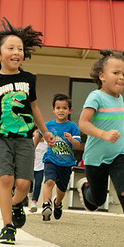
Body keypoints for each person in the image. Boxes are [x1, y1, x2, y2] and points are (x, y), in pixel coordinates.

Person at [0, 18, 55, 244]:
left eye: (20, 49)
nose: (17, 52)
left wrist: (44, 132)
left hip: (25, 139)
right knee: (5, 179)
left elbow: (34, 107)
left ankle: (16, 205)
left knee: (24, 185)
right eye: (11, 48)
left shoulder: (28, 79)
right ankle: (7, 227)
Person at [76, 49, 124, 247]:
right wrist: (103, 134)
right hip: (95, 158)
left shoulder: (120, 99)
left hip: (119, 154)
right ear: (102, 76)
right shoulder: (95, 96)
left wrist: (113, 140)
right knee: (96, 201)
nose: (121, 78)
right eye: (116, 73)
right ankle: (86, 188)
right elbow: (82, 123)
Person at [36, 93, 81, 222]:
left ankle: (57, 203)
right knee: (49, 181)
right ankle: (46, 205)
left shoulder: (72, 127)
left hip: (66, 163)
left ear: (70, 110)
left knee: (61, 190)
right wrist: (32, 150)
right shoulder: (48, 125)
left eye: (64, 108)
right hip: (51, 159)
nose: (61, 111)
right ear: (53, 109)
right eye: (58, 108)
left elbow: (77, 145)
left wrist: (71, 139)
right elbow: (38, 135)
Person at [30, 138, 47, 213]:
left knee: (37, 184)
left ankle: (34, 202)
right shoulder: (32, 140)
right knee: (27, 184)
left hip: (41, 167)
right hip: (30, 167)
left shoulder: (46, 143)